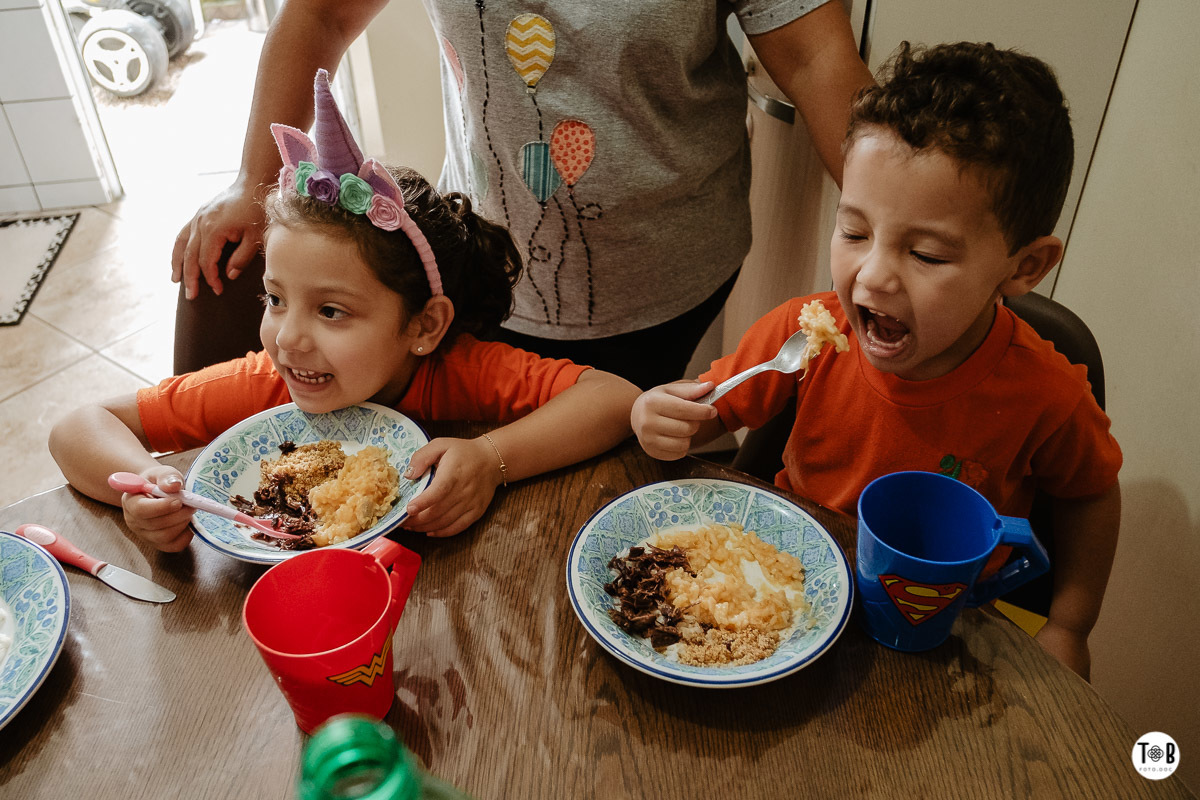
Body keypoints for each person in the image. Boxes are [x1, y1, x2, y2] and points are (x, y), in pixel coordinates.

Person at [630, 42, 1122, 680]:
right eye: (855, 232)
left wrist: (1070, 625)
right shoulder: (806, 335)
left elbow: (1091, 494)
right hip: (788, 592)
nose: (873, 275)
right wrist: (661, 417)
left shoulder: (1044, 392)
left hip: (943, 625)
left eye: (927, 254)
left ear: (1023, 267)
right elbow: (706, 413)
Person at [50, 70, 641, 550]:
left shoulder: (459, 370)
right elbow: (76, 427)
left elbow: (614, 399)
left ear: (423, 326)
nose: (288, 340)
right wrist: (146, 483)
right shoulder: (264, 385)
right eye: (275, 300)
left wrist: (491, 459)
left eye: (331, 311)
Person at [170, 0, 874, 388]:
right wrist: (251, 180)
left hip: (667, 270)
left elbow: (818, 61)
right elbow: (321, 15)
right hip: (480, 255)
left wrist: (901, 232)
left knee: (602, 455)